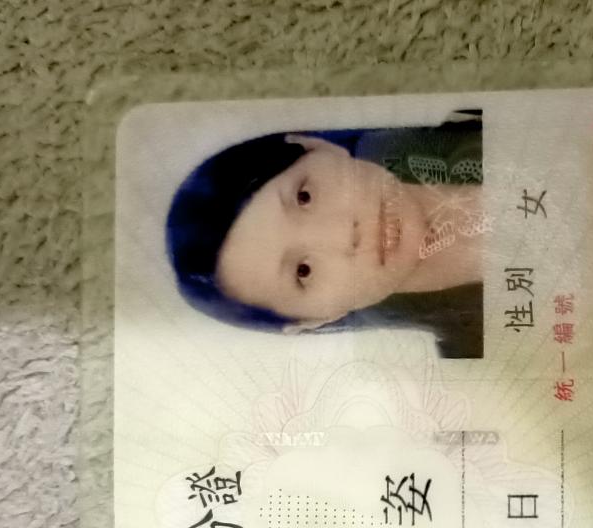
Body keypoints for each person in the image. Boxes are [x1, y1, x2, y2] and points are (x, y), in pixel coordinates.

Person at [167, 113, 485, 358]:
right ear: (314, 320)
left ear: (318, 147)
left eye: (304, 197)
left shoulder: (443, 123)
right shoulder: (476, 353)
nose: (343, 234)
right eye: (303, 271)